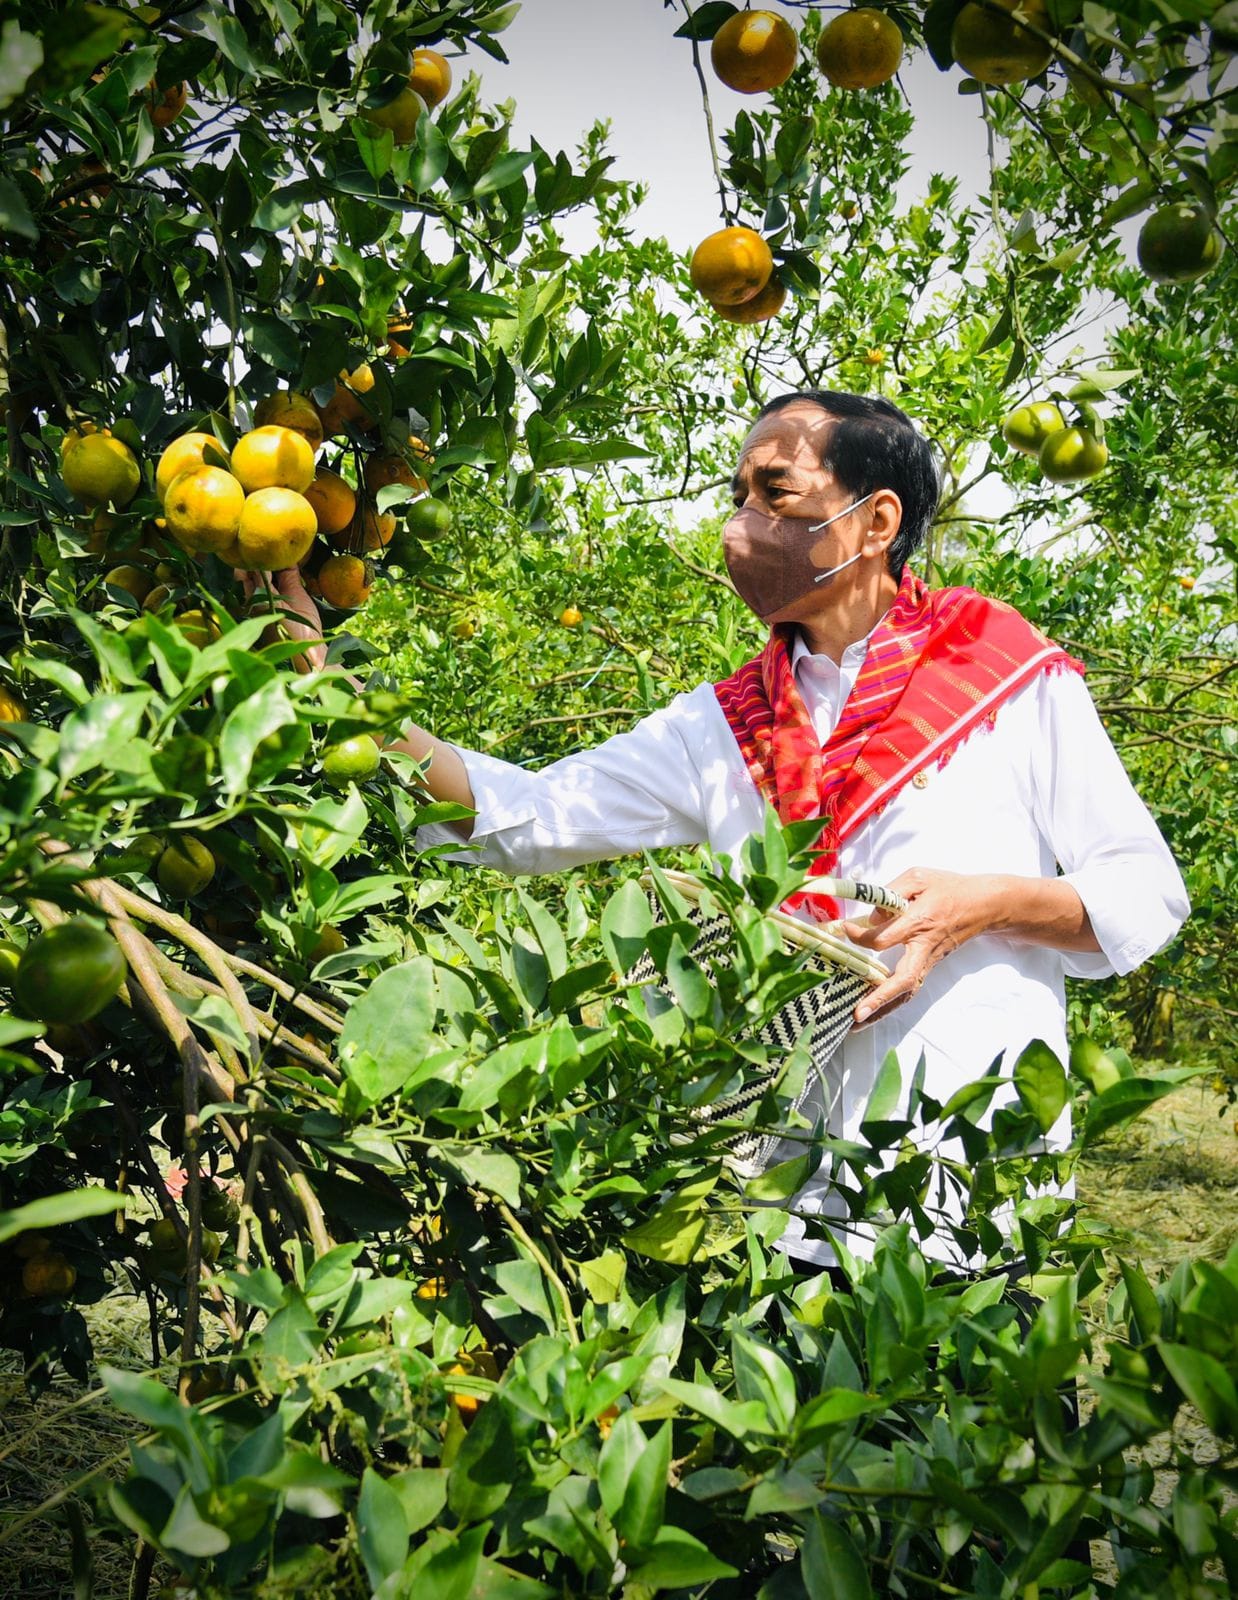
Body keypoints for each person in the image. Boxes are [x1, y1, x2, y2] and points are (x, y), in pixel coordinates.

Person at [274, 390, 1189, 1268]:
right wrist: (328, 689)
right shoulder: (725, 724)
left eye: (776, 493)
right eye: (739, 496)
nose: (742, 524)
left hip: (969, 1190)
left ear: (875, 524)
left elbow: (1142, 890)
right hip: (775, 1210)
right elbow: (526, 815)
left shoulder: (1004, 677)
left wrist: (980, 906)